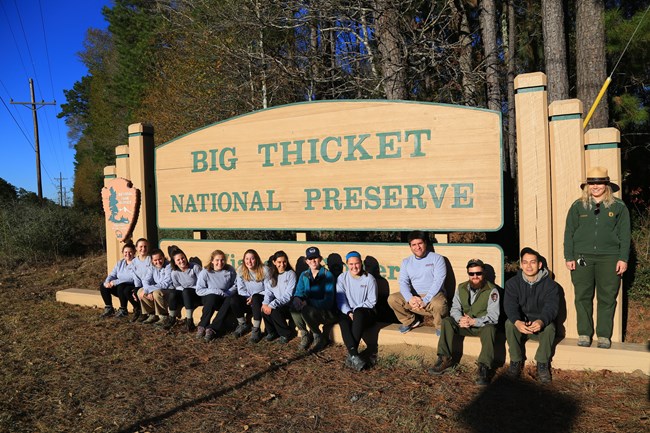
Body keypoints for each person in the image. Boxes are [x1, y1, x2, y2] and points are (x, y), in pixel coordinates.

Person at [564, 166, 631, 349]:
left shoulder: (618, 207)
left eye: (599, 183)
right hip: (582, 257)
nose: (595, 186)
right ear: (587, 186)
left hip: (610, 258)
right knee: (582, 295)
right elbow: (569, 232)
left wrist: (623, 258)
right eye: (592, 183)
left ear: (606, 185)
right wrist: (569, 256)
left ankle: (603, 335)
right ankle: (584, 333)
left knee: (607, 297)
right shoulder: (578, 206)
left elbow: (625, 236)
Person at [428, 259, 500, 385]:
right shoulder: (461, 287)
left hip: (481, 327)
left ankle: (484, 367)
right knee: (447, 321)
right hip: (464, 324)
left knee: (490, 328)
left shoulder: (492, 290)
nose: (475, 276)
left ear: (484, 273)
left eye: (478, 273)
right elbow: (455, 308)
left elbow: (494, 316)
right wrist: (460, 319)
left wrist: (474, 321)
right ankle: (444, 358)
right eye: (471, 274)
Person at [504, 247, 559, 384]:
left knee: (550, 327)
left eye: (533, 262)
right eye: (525, 262)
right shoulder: (512, 284)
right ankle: (515, 361)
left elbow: (552, 307)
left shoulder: (551, 286)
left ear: (539, 265)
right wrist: (517, 321)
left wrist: (541, 321)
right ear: (521, 265)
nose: (529, 266)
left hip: (539, 325)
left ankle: (542, 364)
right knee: (509, 324)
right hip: (521, 325)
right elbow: (510, 306)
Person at [388, 230, 448, 334]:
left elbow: (438, 281)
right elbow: (403, 282)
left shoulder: (437, 259)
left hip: (434, 295)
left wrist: (426, 299)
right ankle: (410, 321)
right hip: (414, 296)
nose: (417, 247)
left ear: (425, 243)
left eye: (420, 243)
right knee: (393, 299)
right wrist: (409, 298)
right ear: (410, 246)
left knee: (439, 304)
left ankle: (440, 326)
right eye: (414, 245)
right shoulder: (406, 261)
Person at [336, 251, 378, 371]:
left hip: (366, 312)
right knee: (342, 320)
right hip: (349, 311)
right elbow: (340, 300)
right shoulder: (342, 278)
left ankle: (351, 355)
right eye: (351, 264)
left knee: (359, 312)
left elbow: (372, 301)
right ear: (347, 264)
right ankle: (354, 355)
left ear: (361, 263)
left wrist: (355, 310)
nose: (354, 266)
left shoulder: (369, 279)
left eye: (357, 263)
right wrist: (349, 312)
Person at [291, 246, 337, 352]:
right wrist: (297, 298)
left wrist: (308, 302)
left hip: (326, 312)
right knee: (294, 307)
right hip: (309, 309)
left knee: (306, 310)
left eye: (315, 258)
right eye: (310, 258)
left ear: (320, 259)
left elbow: (328, 301)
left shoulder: (328, 275)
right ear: (307, 261)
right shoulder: (304, 275)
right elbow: (299, 291)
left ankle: (318, 336)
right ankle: (305, 334)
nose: (313, 261)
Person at [195, 250, 237, 341]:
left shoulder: (230, 270)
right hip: (210, 298)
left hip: (225, 296)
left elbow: (235, 285)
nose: (220, 263)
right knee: (212, 297)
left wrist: (228, 292)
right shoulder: (205, 272)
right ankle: (202, 326)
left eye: (222, 260)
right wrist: (215, 291)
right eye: (217, 260)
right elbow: (199, 290)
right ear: (212, 261)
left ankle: (212, 328)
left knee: (230, 300)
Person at [261, 251, 297, 344]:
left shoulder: (291, 274)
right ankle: (272, 332)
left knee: (274, 310)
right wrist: (265, 304)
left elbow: (288, 296)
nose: (282, 264)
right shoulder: (271, 275)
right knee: (264, 309)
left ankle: (286, 334)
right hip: (279, 303)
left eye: (284, 262)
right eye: (279, 262)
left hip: (289, 305)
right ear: (274, 262)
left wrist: (273, 304)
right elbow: (269, 292)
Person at [99, 242, 141, 319]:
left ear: (134, 252)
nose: (128, 254)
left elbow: (131, 277)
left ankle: (123, 309)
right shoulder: (120, 263)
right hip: (120, 288)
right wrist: (107, 282)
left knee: (121, 286)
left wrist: (115, 282)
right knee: (103, 286)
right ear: (122, 253)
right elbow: (112, 275)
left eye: (130, 252)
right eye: (125, 252)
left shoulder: (137, 263)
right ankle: (109, 308)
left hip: (131, 287)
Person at [168, 247, 202, 332]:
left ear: (185, 257)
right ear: (175, 262)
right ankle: (171, 319)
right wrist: (184, 290)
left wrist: (187, 290)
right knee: (173, 293)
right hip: (185, 295)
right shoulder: (174, 273)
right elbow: (177, 286)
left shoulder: (195, 267)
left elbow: (202, 283)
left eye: (182, 258)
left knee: (186, 291)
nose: (181, 261)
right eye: (178, 260)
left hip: (197, 294)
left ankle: (190, 322)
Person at [138, 248, 172, 324]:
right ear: (152, 261)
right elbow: (145, 280)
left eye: (160, 259)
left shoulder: (169, 266)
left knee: (156, 293)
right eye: (155, 260)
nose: (158, 262)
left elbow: (166, 283)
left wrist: (149, 289)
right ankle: (152, 313)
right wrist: (148, 290)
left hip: (169, 290)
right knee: (140, 291)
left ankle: (164, 315)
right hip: (157, 288)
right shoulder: (152, 267)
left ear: (163, 257)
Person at [129, 238, 151, 322]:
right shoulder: (134, 262)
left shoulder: (150, 260)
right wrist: (136, 288)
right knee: (130, 291)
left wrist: (144, 288)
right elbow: (135, 277)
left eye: (145, 246)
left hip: (149, 284)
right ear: (136, 248)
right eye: (141, 246)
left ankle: (145, 313)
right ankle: (138, 310)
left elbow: (150, 275)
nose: (143, 249)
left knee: (139, 292)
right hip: (140, 284)